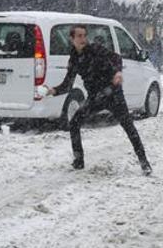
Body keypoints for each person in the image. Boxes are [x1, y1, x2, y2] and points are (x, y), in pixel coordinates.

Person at [46, 24, 152, 175]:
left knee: (129, 127)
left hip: (113, 93)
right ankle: (78, 161)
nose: (83, 39)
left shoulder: (95, 49)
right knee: (75, 122)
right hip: (95, 97)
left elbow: (116, 58)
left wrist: (118, 73)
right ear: (72, 39)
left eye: (84, 35)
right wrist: (54, 90)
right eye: (79, 36)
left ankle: (144, 163)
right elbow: (68, 84)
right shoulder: (74, 58)